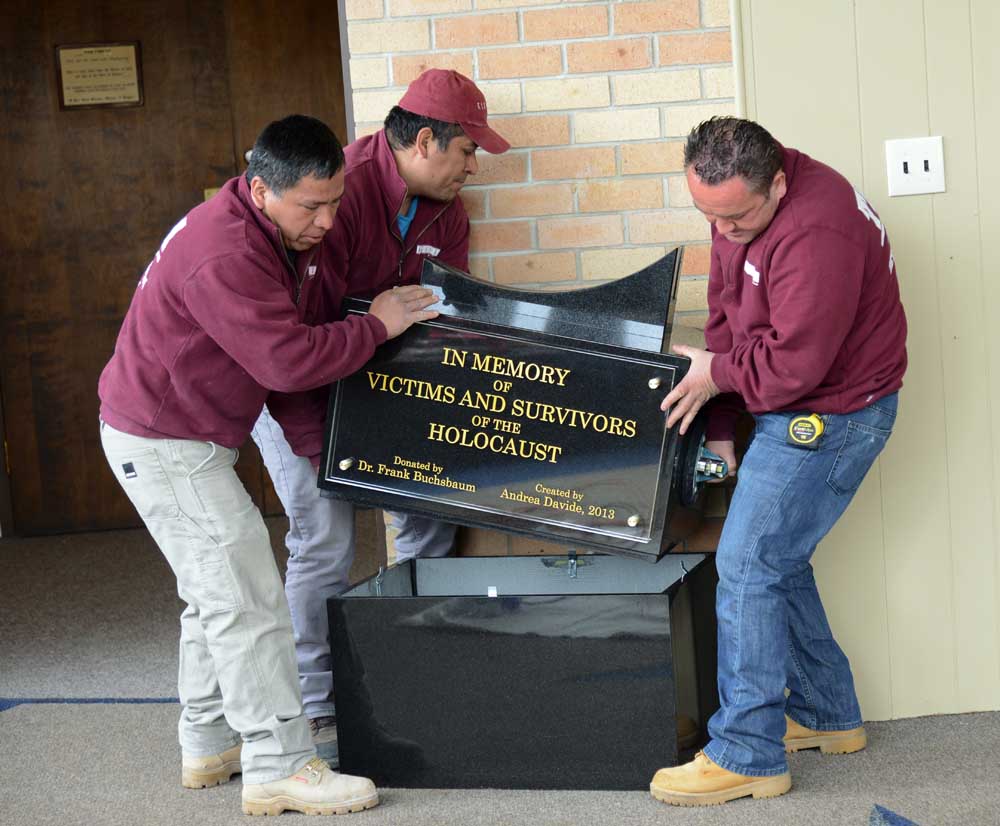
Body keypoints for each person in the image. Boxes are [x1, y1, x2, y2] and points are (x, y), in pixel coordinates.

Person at [98, 114, 440, 816]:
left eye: (336, 201)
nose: (325, 220)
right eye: (310, 207)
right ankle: (279, 762)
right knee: (247, 596)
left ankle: (210, 739)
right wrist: (376, 326)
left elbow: (294, 357)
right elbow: (287, 360)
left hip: (191, 434)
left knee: (214, 592)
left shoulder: (285, 236)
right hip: (164, 441)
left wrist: (319, 452)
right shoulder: (224, 253)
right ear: (259, 191)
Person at [249, 69, 510, 762]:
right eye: (466, 151)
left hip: (385, 381)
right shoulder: (341, 190)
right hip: (296, 383)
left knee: (428, 515)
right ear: (425, 141)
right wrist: (314, 447)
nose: (472, 167)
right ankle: (319, 705)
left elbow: (436, 319)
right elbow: (293, 334)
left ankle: (413, 674)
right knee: (326, 536)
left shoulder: (449, 213)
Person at [650, 117, 907, 806]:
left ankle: (747, 752)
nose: (722, 231)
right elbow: (726, 316)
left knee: (747, 566)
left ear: (779, 183)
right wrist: (726, 423)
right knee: (778, 558)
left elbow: (794, 366)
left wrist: (715, 378)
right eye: (707, 216)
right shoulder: (732, 200)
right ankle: (828, 715)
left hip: (837, 415)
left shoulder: (817, 232)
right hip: (795, 405)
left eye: (734, 218)